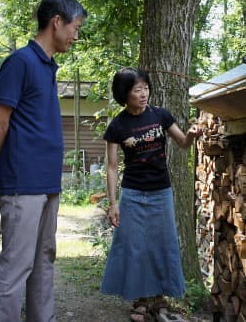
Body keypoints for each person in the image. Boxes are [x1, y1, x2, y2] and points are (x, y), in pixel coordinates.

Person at [0, 0, 86, 322]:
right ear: (56, 21)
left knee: (44, 260)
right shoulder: (21, 62)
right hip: (22, 182)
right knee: (16, 265)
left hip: (47, 182)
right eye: (75, 26)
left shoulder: (48, 67)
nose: (76, 34)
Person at [100, 67, 202, 322]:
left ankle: (159, 298)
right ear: (125, 94)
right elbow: (112, 168)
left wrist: (190, 135)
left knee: (162, 244)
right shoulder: (117, 126)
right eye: (137, 89)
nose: (143, 93)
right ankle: (141, 299)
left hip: (161, 192)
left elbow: (182, 143)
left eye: (145, 87)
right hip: (133, 193)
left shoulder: (161, 116)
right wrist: (113, 203)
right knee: (136, 247)